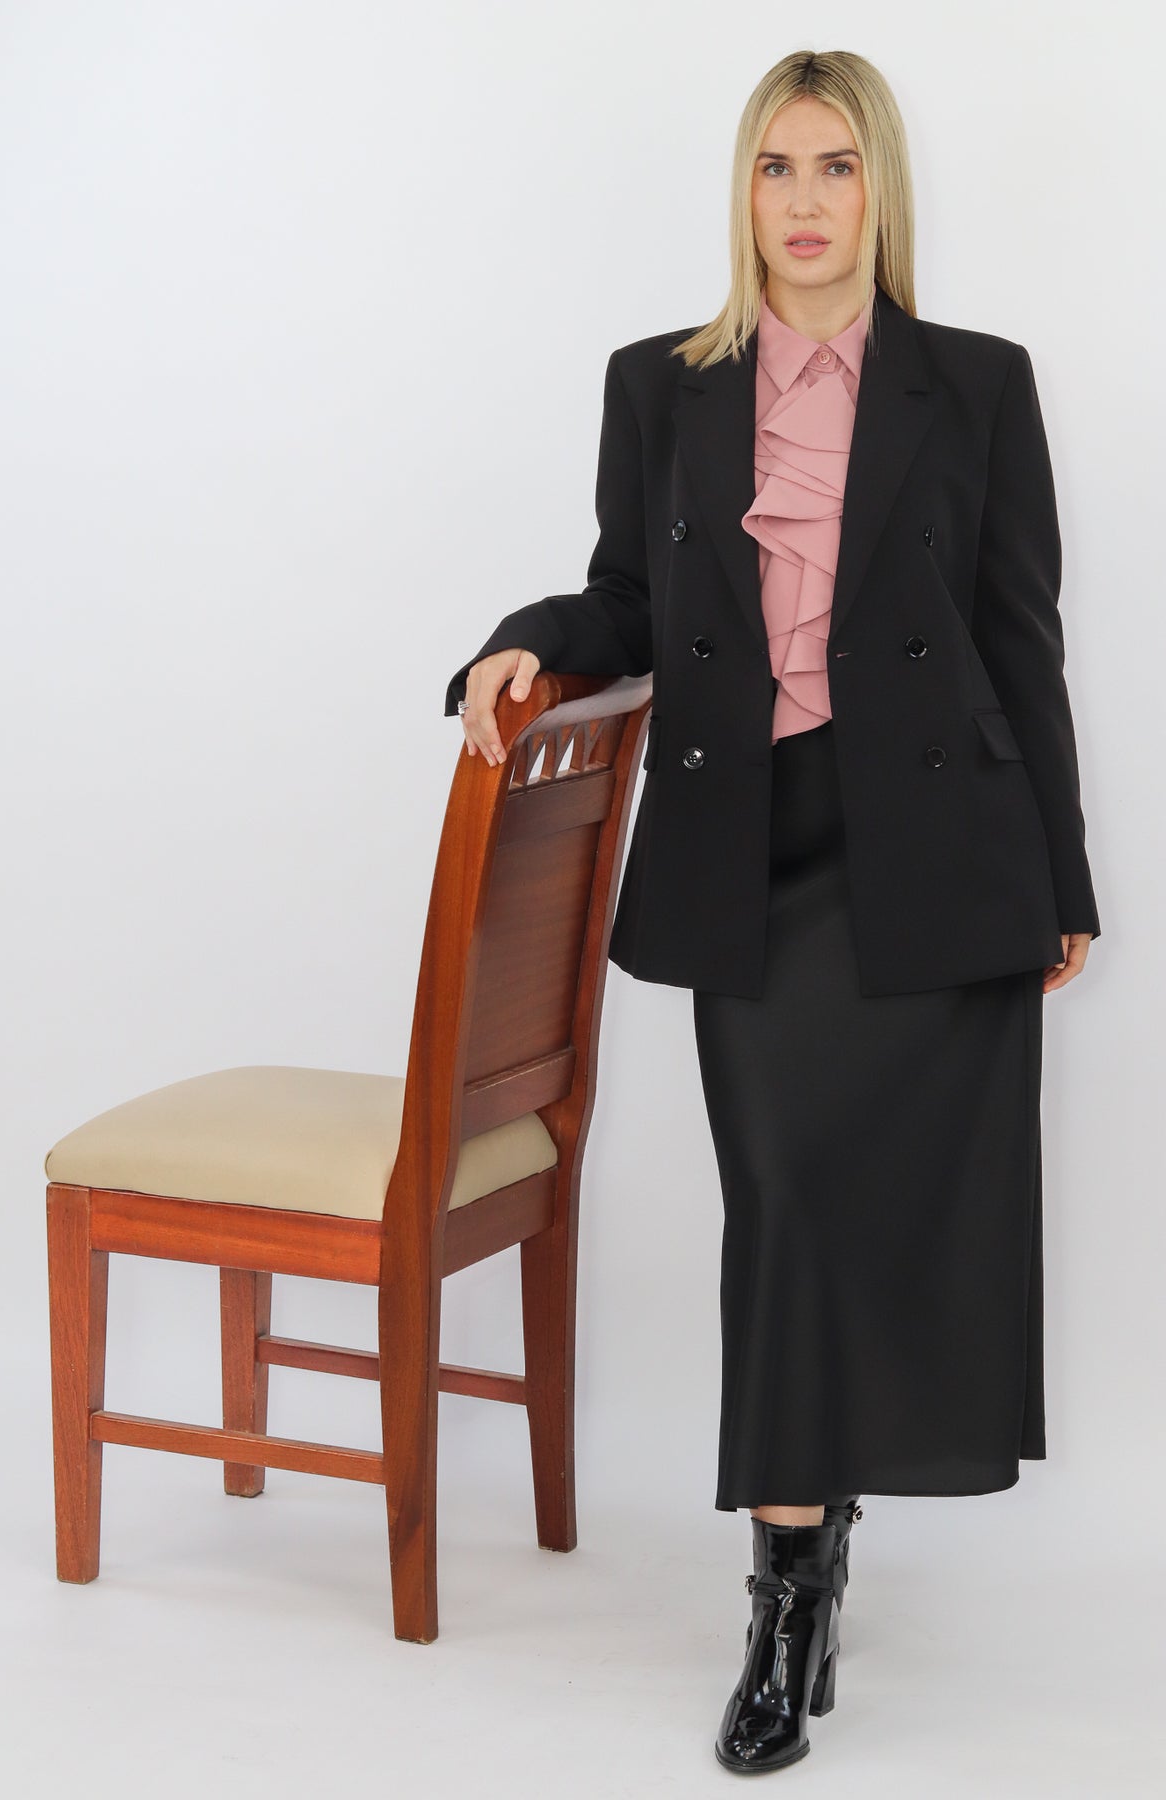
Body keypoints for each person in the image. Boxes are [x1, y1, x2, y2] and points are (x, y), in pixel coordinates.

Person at [443, 49, 1100, 1777]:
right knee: (785, 1201)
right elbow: (627, 593)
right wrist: (525, 640)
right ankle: (790, 1578)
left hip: (940, 854)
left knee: (873, 1220)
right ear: (741, 192)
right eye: (775, 168)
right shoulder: (660, 384)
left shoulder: (977, 383)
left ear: (881, 188)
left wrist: (1063, 879)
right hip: (753, 856)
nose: (805, 203)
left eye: (836, 166)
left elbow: (1020, 636)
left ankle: (798, 1571)